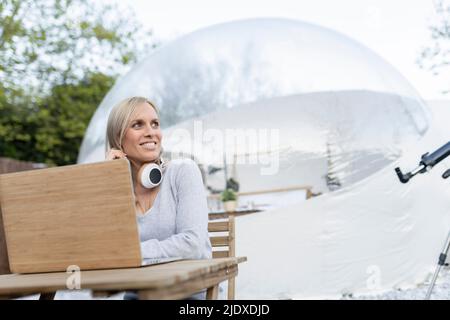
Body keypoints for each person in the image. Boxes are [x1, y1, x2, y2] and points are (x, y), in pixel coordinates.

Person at [105, 96, 212, 299]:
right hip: (138, 295)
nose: (151, 132)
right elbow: (101, 250)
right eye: (138, 125)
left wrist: (130, 253)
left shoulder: (183, 171)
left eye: (155, 124)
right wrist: (108, 181)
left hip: (189, 295)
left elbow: (192, 245)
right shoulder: (116, 191)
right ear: (118, 139)